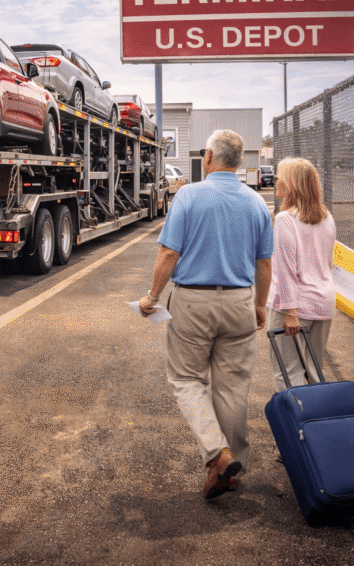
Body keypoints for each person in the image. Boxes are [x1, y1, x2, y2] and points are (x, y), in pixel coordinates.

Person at [138, 130, 273, 500]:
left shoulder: (189, 196)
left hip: (193, 304)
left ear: (209, 157)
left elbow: (168, 254)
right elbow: (264, 264)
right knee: (233, 389)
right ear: (241, 162)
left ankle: (218, 453)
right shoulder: (257, 203)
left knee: (186, 379)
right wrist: (260, 305)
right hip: (240, 303)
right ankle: (228, 474)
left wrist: (152, 296)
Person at [267, 157, 337, 391]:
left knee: (287, 374)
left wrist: (291, 312)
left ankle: (295, 425)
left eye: (279, 177)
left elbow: (286, 271)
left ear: (291, 184)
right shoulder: (327, 217)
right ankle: (318, 422)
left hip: (293, 306)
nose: (275, 180)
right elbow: (328, 263)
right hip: (323, 303)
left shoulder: (286, 220)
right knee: (314, 369)